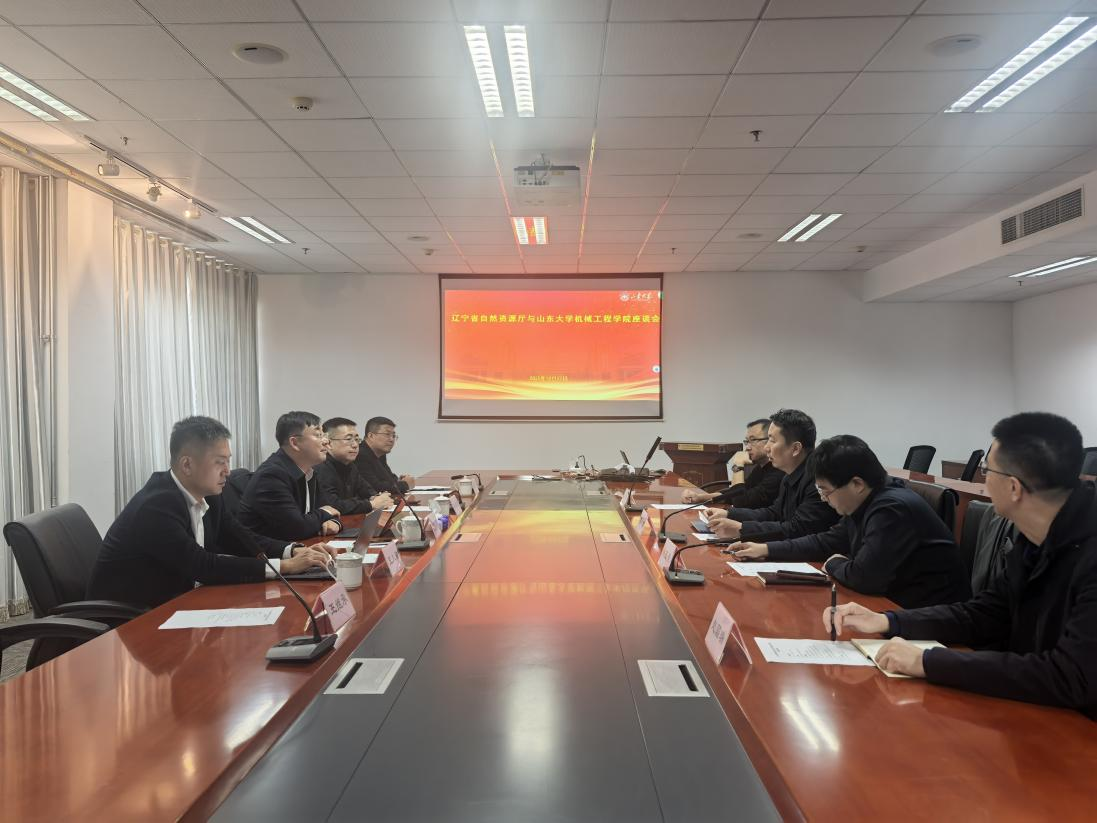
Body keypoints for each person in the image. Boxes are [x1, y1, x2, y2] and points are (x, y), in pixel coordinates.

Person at [825, 412, 1097, 718]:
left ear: (1014, 488)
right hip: (1039, 710)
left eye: (986, 470)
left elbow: (1070, 676)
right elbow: (983, 615)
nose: (983, 478)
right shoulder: (1034, 538)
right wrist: (888, 621)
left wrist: (928, 661)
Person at [87, 416, 333, 609]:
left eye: (228, 461)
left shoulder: (210, 495)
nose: (228, 470)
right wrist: (286, 566)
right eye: (219, 462)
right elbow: (201, 564)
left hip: (181, 603)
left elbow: (242, 538)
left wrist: (294, 550)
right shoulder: (156, 505)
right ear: (187, 464)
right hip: (132, 619)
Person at [732, 435, 970, 608]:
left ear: (857, 484)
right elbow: (828, 541)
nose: (823, 499)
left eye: (826, 490)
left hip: (928, 623)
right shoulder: (869, 501)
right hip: (895, 608)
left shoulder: (891, 508)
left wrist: (835, 563)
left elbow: (864, 577)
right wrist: (765, 549)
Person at [707, 408, 838, 542]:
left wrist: (741, 529)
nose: (766, 447)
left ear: (795, 449)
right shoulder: (789, 475)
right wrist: (729, 514)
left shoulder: (818, 479)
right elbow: (774, 513)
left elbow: (798, 529)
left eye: (772, 441)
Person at [239, 411, 343, 542]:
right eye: (318, 435)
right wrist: (324, 514)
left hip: (302, 546)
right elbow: (297, 529)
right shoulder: (271, 475)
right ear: (295, 443)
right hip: (267, 553)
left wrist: (335, 522)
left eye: (324, 435)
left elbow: (331, 509)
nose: (326, 441)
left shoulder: (309, 471)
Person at [682, 418, 783, 509]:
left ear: (770, 441)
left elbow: (741, 502)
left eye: (753, 440)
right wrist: (700, 497)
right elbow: (735, 494)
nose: (747, 448)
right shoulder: (760, 467)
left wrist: (738, 466)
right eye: (746, 441)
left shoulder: (779, 472)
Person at [316, 417, 394, 515]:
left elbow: (367, 490)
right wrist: (371, 504)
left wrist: (377, 498)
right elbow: (332, 506)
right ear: (328, 443)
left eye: (357, 439)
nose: (355, 445)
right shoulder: (321, 467)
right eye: (348, 439)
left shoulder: (350, 465)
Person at [356, 416, 415, 496]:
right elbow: (374, 488)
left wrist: (399, 480)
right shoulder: (360, 455)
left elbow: (389, 478)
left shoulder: (380, 453)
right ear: (371, 436)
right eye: (387, 434)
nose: (391, 439)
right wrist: (405, 484)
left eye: (393, 436)